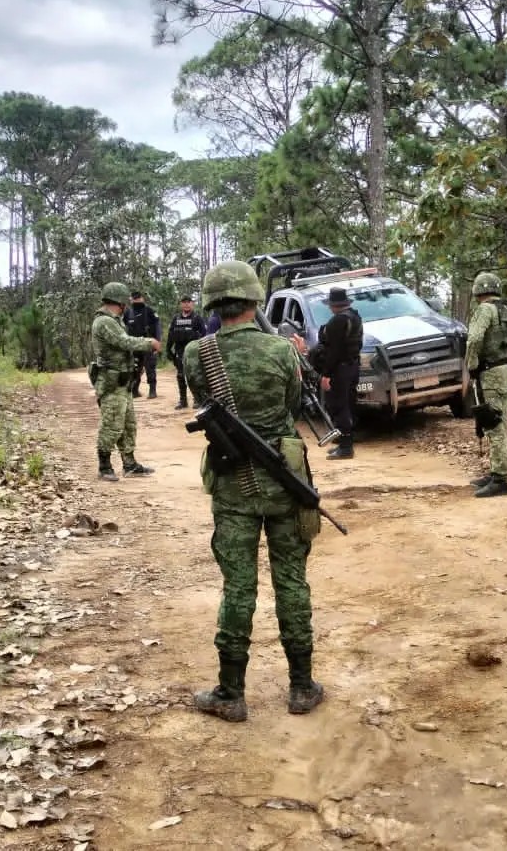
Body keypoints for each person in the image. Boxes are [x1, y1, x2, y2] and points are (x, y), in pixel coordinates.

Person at [183, 261, 322, 723]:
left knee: (238, 587)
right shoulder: (282, 351)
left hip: (234, 482)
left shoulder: (195, 354)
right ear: (253, 300)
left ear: (212, 304)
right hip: (285, 479)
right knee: (291, 583)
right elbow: (290, 407)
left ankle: (231, 692)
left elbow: (209, 402)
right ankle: (302, 687)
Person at [92, 282, 162, 481]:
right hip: (111, 382)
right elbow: (124, 341)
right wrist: (149, 342)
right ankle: (104, 465)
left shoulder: (115, 320)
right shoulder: (104, 322)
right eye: (125, 302)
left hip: (123, 382)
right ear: (120, 302)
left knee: (129, 424)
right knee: (112, 424)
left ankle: (129, 464)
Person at [465, 272, 507, 498]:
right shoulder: (506, 310)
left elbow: (474, 339)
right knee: (500, 423)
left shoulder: (485, 310)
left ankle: (500, 479)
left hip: (490, 373)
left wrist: (470, 365)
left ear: (477, 291)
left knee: (494, 425)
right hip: (506, 372)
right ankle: (495, 472)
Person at [311, 286, 362, 460]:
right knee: (348, 403)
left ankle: (346, 447)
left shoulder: (337, 321)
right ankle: (345, 442)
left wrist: (326, 374)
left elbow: (334, 351)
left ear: (333, 305)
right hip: (352, 365)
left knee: (338, 406)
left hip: (339, 368)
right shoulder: (355, 317)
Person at [165, 294, 208, 409]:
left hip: (194, 353)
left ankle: (197, 399)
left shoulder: (197, 318)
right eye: (184, 302)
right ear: (181, 304)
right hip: (180, 351)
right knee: (180, 376)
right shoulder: (176, 319)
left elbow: (204, 335)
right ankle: (183, 400)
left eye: (189, 302)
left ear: (192, 304)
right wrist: (168, 350)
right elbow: (171, 335)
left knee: (195, 376)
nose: (186, 304)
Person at [123, 289, 161, 399]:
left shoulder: (149, 311)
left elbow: (157, 326)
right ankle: (134, 390)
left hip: (148, 344)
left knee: (150, 368)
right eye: (134, 298)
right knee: (135, 369)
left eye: (138, 298)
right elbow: (122, 327)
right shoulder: (128, 313)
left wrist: (157, 341)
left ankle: (152, 391)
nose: (136, 300)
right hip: (134, 345)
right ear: (131, 299)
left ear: (142, 298)